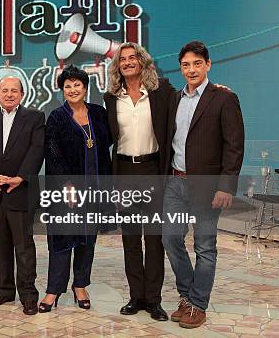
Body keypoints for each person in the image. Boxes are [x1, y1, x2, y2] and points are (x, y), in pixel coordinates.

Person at [163, 41, 244, 329]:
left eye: (197, 63)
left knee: (204, 247)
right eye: (186, 64)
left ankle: (198, 304)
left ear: (208, 64)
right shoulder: (174, 98)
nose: (191, 69)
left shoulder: (223, 98)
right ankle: (187, 296)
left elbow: (234, 145)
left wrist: (226, 186)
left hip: (207, 187)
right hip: (175, 182)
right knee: (170, 239)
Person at [104, 42, 174, 321]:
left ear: (143, 62)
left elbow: (186, 106)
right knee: (131, 239)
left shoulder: (162, 92)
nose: (128, 62)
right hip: (123, 172)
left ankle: (154, 301)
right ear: (117, 66)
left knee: (154, 239)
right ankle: (136, 296)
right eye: (123, 59)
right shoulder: (111, 98)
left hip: (152, 170)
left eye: (133, 58)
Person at [40, 66, 112, 313]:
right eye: (67, 86)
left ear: (85, 87)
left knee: (87, 239)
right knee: (61, 239)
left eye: (77, 85)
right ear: (62, 90)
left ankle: (80, 285)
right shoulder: (57, 117)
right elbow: (52, 154)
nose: (72, 90)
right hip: (66, 191)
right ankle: (53, 290)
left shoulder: (99, 114)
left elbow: (106, 143)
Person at [0, 76, 45, 316]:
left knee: (23, 247)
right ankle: (4, 290)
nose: (9, 94)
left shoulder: (34, 118)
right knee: (0, 245)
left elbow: (37, 150)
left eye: (14, 90)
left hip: (20, 191)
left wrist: (21, 177)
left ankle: (28, 295)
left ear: (22, 94)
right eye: (5, 90)